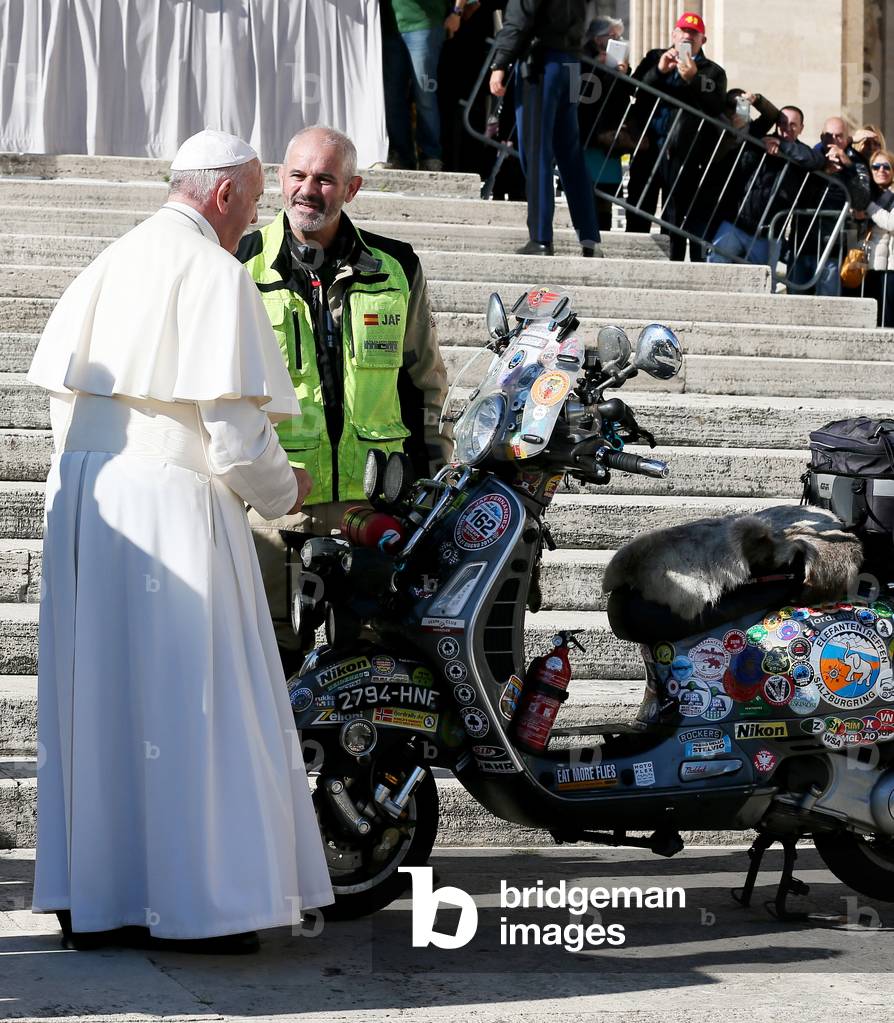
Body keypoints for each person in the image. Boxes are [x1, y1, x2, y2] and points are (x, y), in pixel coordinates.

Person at [26, 129, 334, 953]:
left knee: (101, 702)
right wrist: (287, 490)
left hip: (88, 495)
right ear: (226, 194)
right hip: (168, 498)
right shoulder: (213, 271)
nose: (258, 214)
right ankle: (200, 908)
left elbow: (67, 402)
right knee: (193, 700)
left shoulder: (110, 259)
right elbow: (234, 436)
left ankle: (97, 899)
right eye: (259, 197)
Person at [237, 126, 451, 661]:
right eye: (298, 175)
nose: (308, 190)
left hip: (374, 503)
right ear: (279, 180)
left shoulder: (396, 266)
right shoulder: (238, 263)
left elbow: (424, 385)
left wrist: (430, 485)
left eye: (326, 179)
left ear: (351, 189)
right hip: (277, 502)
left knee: (373, 659)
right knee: (271, 660)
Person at [488, 0, 601, 256]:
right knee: (570, 154)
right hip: (571, 61)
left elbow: (519, 18)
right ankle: (590, 237)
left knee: (536, 151)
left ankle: (540, 238)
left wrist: (500, 63)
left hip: (541, 63)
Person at [625, 11, 727, 261]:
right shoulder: (654, 58)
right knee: (639, 206)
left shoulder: (712, 71)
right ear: (673, 34)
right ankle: (631, 259)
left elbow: (715, 107)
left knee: (676, 215)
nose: (686, 37)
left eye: (693, 34)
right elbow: (634, 89)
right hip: (649, 146)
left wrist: (693, 78)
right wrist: (659, 71)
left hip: (685, 153)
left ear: (703, 40)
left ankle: (674, 262)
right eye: (682, 31)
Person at [707, 105, 824, 267]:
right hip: (737, 222)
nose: (786, 128)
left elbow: (816, 160)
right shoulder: (761, 141)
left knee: (766, 281)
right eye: (782, 123)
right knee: (715, 265)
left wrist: (782, 146)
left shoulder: (802, 151)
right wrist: (760, 146)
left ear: (801, 129)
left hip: (768, 233)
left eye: (793, 125)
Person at [380, 0, 479, 170]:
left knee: (425, 94)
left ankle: (431, 155)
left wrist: (457, 12)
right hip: (388, 26)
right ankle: (401, 155)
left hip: (423, 24)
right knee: (391, 98)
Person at [788, 116, 871, 295]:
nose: (833, 141)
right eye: (829, 135)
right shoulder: (811, 157)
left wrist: (848, 168)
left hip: (832, 248)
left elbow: (862, 201)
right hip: (802, 243)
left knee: (827, 305)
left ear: (846, 139)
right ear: (821, 136)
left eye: (839, 136)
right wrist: (821, 170)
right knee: (795, 301)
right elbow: (796, 193)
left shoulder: (855, 162)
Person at [579, 16, 635, 233]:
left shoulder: (616, 60)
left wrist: (622, 73)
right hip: (586, 130)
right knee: (586, 189)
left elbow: (623, 94)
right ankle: (587, 231)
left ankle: (603, 231)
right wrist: (596, 66)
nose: (617, 40)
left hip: (610, 134)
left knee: (607, 191)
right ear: (597, 38)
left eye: (619, 36)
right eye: (612, 36)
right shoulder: (582, 56)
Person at [859, 150, 894, 326]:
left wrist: (869, 208)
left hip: (888, 267)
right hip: (863, 262)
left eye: (886, 166)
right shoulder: (864, 192)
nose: (881, 170)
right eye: (876, 166)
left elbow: (890, 222)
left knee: (886, 320)